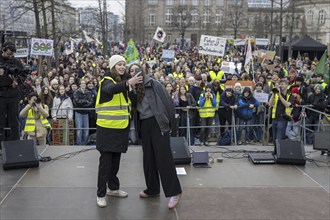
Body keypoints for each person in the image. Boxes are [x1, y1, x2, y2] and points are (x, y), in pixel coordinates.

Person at [95, 55, 142, 208]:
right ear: (113, 66)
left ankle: (113, 188)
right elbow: (111, 89)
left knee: (115, 162)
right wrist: (128, 83)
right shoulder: (106, 80)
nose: (122, 67)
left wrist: (132, 87)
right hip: (106, 129)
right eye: (119, 64)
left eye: (123, 64)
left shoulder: (124, 83)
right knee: (105, 164)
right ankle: (100, 194)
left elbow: (132, 103)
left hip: (121, 127)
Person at [134, 65, 182, 209]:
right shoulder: (132, 88)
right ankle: (152, 189)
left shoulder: (154, 84)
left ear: (142, 72)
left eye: (136, 70)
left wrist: (171, 127)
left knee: (164, 158)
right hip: (144, 124)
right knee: (148, 158)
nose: (133, 73)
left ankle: (175, 192)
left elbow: (168, 104)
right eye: (130, 71)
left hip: (158, 123)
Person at [0, 41, 25, 142]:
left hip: (13, 95)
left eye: (12, 54)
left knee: (14, 121)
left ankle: (15, 144)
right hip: (1, 95)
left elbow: (23, 75)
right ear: (3, 50)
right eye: (8, 53)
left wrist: (17, 81)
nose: (10, 56)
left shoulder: (16, 62)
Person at [268, 79, 295, 150]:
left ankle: (279, 153)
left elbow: (287, 105)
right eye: (280, 84)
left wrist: (280, 95)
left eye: (282, 84)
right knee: (274, 139)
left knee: (279, 138)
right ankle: (276, 152)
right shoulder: (276, 94)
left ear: (287, 85)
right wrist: (273, 94)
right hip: (274, 118)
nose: (281, 86)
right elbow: (270, 104)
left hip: (283, 119)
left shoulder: (290, 95)